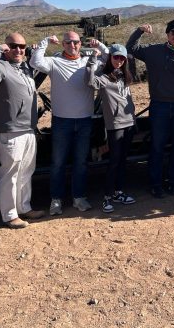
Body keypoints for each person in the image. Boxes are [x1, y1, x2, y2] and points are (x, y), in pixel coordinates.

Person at [30, 31, 108, 215]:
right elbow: (35, 61)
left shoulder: (89, 62)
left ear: (80, 44)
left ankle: (79, 197)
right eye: (68, 43)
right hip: (62, 121)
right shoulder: (54, 62)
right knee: (58, 162)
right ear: (63, 45)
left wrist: (99, 46)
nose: (72, 46)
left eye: (75, 42)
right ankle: (56, 200)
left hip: (84, 120)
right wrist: (45, 41)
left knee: (80, 162)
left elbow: (108, 58)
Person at [126, 19, 174, 198]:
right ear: (167, 35)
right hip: (160, 105)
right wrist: (139, 30)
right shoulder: (154, 51)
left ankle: (173, 182)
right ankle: (155, 184)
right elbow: (131, 48)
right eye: (173, 33)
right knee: (157, 146)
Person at [0, 33, 44, 229]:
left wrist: (35, 51)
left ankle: (24, 207)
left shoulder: (24, 67)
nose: (19, 49)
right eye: (13, 46)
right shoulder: (0, 66)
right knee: (10, 172)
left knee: (26, 170)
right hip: (8, 130)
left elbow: (38, 64)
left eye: (22, 46)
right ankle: (9, 215)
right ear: (6, 47)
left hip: (27, 128)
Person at [86, 43, 137, 212]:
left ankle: (118, 192)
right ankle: (107, 197)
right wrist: (93, 59)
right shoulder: (104, 77)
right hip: (115, 124)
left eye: (122, 58)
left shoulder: (124, 75)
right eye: (116, 57)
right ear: (110, 58)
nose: (119, 61)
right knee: (114, 161)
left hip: (129, 122)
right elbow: (90, 82)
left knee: (123, 160)